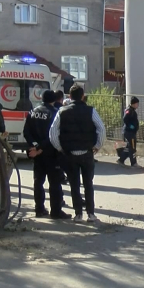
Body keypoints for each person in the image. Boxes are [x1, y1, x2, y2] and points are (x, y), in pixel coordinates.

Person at [49, 85, 106, 223]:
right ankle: (91, 214)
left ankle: (78, 214)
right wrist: (97, 146)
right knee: (88, 184)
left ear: (69, 96)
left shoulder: (62, 111)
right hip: (87, 152)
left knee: (74, 184)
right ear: (82, 96)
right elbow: (101, 129)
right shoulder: (90, 111)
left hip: (70, 154)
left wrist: (60, 148)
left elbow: (52, 133)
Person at [23, 90, 71, 220]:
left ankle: (39, 209)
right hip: (51, 153)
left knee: (38, 181)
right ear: (54, 100)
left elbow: (26, 132)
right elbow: (53, 136)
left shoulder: (32, 112)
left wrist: (34, 146)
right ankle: (55, 211)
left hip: (37, 154)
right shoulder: (55, 113)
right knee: (54, 183)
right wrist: (40, 148)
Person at [117, 97, 140, 167]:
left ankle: (121, 160)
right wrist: (131, 126)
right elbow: (125, 119)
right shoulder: (129, 110)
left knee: (129, 147)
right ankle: (133, 163)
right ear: (134, 104)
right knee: (132, 147)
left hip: (131, 132)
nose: (138, 105)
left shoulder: (132, 110)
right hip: (129, 133)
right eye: (137, 103)